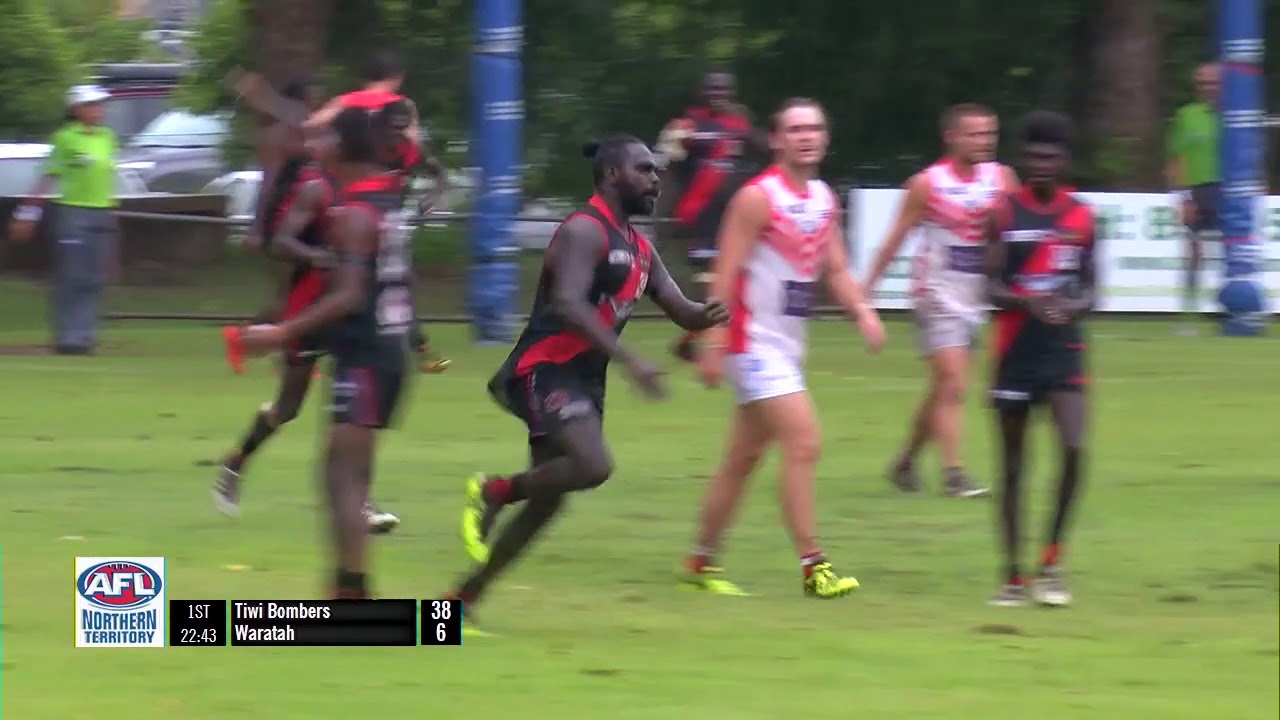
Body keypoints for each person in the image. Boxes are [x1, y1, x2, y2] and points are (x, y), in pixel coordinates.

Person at [445, 135, 729, 618]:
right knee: (593, 465)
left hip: (582, 381)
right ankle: (495, 491)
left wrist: (708, 314)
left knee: (548, 501)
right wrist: (630, 359)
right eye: (644, 169)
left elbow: (681, 308)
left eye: (655, 171)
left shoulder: (641, 248)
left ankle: (460, 602)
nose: (655, 179)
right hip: (545, 369)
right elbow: (567, 303)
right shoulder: (584, 231)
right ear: (612, 174)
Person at [682, 98, 884, 599]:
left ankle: (700, 561)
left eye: (814, 128)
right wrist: (713, 342)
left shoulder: (823, 198)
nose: (806, 136)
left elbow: (836, 268)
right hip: (750, 343)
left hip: (786, 345)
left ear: (825, 138)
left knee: (743, 458)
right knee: (804, 440)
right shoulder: (757, 198)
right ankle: (815, 567)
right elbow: (725, 273)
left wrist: (862, 311)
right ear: (776, 140)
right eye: (795, 129)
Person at [239, 106, 417, 600]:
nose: (314, 147)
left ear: (341, 146)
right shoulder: (386, 198)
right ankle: (349, 589)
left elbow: (349, 296)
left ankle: (352, 596)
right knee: (345, 474)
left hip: (366, 355)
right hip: (385, 349)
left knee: (343, 478)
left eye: (322, 139)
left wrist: (280, 332)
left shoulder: (355, 214)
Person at [230, 55, 451, 371]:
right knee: (352, 286)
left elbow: (307, 125)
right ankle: (283, 342)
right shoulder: (396, 111)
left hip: (373, 214)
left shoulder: (351, 107)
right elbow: (308, 135)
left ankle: (282, 341)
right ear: (397, 77)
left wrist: (267, 100)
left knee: (387, 282)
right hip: (357, 212)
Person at [863, 103, 1019, 497]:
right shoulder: (928, 184)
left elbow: (1019, 232)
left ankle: (906, 461)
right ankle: (954, 474)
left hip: (977, 295)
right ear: (951, 137)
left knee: (942, 389)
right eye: (974, 134)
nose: (984, 141)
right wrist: (865, 290)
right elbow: (895, 238)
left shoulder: (1002, 178)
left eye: (989, 133)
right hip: (936, 294)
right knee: (953, 382)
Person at [983, 110, 1095, 607]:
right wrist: (1026, 302)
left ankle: (1050, 563)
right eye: (1032, 156)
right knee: (1013, 468)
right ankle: (1012, 577)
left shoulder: (1082, 216)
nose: (1040, 164)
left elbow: (1092, 288)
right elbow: (989, 286)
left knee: (1073, 450)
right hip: (1015, 353)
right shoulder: (1003, 213)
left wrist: (1071, 306)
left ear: (1065, 160)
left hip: (1064, 352)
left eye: (1049, 157)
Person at [656, 70, 767, 364]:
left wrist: (747, 125)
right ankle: (700, 340)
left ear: (732, 93)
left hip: (731, 217)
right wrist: (662, 216)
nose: (718, 94)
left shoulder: (738, 125)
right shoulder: (686, 126)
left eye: (723, 89)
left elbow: (767, 149)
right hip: (699, 215)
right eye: (712, 89)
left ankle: (691, 340)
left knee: (732, 281)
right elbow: (667, 170)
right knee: (711, 282)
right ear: (701, 92)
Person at [8, 85, 119, 355]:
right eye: (91, 105)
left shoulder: (107, 137)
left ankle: (85, 336)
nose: (97, 110)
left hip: (102, 212)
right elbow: (48, 176)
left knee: (95, 279)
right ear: (76, 109)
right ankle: (68, 337)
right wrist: (27, 214)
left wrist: (113, 217)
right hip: (73, 213)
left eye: (99, 105)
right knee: (73, 277)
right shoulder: (65, 138)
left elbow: (108, 180)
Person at [1166, 62, 1220, 335]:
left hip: (1229, 192)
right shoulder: (1186, 115)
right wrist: (1184, 197)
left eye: (1213, 83)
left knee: (1236, 252)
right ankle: (1188, 316)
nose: (1208, 88)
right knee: (1194, 254)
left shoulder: (1235, 115)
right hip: (1196, 192)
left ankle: (1235, 312)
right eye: (1203, 83)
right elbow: (1176, 159)